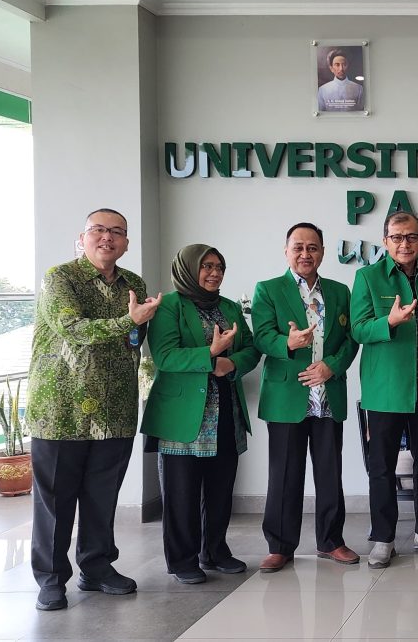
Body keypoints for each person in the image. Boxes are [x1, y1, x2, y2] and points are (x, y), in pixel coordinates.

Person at [27, 208, 159, 612]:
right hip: (61, 407)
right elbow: (73, 329)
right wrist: (127, 321)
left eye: (116, 232)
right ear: (82, 237)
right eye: (98, 230)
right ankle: (51, 579)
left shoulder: (133, 283)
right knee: (55, 500)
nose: (107, 238)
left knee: (102, 497)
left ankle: (97, 567)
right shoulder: (60, 278)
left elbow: (136, 338)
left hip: (114, 406)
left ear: (126, 243)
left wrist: (134, 325)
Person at [140, 244, 261, 584]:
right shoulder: (169, 307)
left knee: (221, 488)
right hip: (182, 415)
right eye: (206, 266)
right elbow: (165, 356)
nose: (214, 272)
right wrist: (210, 354)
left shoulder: (229, 307)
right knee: (182, 492)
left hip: (225, 411)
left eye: (219, 266)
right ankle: (182, 560)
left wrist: (231, 363)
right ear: (188, 268)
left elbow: (252, 349)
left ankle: (216, 551)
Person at [250, 223, 360, 571]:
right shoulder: (268, 289)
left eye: (312, 247)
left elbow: (351, 339)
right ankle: (280, 546)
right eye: (298, 247)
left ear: (323, 252)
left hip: (328, 394)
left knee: (330, 473)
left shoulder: (340, 291)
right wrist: (287, 342)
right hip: (287, 395)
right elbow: (261, 336)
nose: (305, 254)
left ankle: (331, 541)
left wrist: (331, 366)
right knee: (284, 474)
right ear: (286, 251)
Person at [351, 210, 418, 567]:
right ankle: (383, 539)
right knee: (381, 466)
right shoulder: (367, 277)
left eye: (411, 237)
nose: (404, 244)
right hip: (386, 389)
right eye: (396, 237)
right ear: (385, 242)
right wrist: (390, 322)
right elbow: (358, 329)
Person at [317, 48, 364, 112]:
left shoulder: (359, 89)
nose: (341, 69)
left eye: (344, 64)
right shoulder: (322, 90)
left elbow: (361, 112)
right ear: (331, 68)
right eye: (337, 65)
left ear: (348, 66)